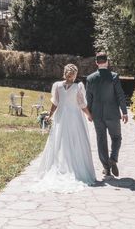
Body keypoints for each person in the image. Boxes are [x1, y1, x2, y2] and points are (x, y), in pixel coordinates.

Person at [33, 64, 96, 192]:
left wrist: (50, 116)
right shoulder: (78, 87)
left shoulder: (57, 85)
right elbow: (82, 104)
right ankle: (74, 168)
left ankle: (60, 166)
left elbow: (55, 103)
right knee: (75, 141)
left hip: (61, 117)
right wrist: (89, 115)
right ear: (75, 74)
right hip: (74, 118)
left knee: (59, 142)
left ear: (65, 73)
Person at [86, 52, 128, 178]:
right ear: (107, 62)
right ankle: (113, 159)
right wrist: (124, 112)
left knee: (101, 140)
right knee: (116, 137)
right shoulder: (114, 77)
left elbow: (89, 98)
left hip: (97, 115)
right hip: (113, 114)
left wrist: (89, 113)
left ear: (96, 63)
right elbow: (120, 95)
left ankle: (106, 168)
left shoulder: (90, 78)